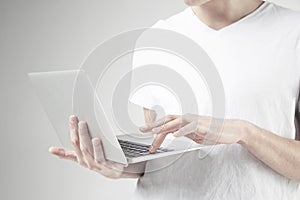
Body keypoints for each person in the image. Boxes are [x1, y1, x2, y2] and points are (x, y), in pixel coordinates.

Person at [49, 0, 300, 199]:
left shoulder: (293, 33)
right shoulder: (157, 37)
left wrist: (245, 132)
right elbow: (159, 154)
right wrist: (118, 166)